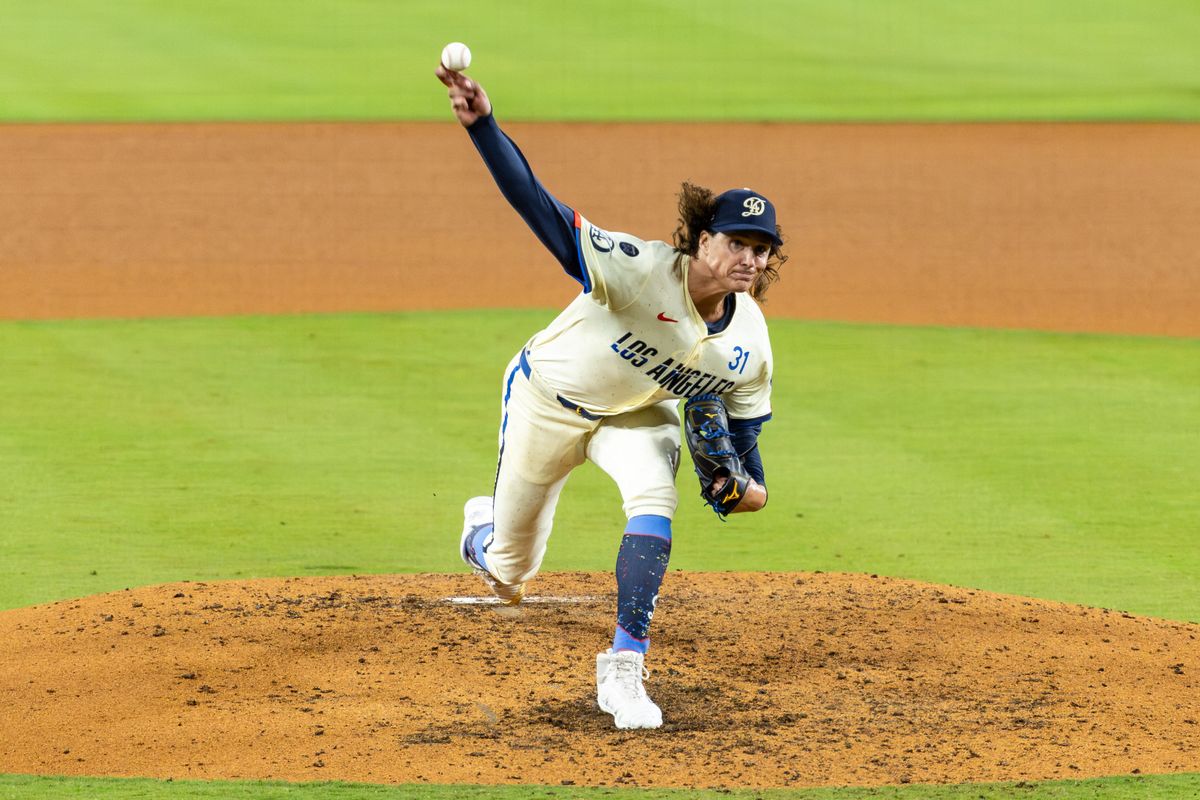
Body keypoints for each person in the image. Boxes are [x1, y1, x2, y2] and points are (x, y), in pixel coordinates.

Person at [436, 64, 786, 730]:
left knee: (656, 495)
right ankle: (482, 532)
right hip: (545, 399)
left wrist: (745, 491)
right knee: (510, 572)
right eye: (737, 242)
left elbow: (748, 459)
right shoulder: (639, 269)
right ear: (704, 240)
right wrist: (483, 126)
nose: (749, 257)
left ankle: (624, 669)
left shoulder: (750, 345)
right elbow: (539, 207)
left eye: (761, 249)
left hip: (633, 415)